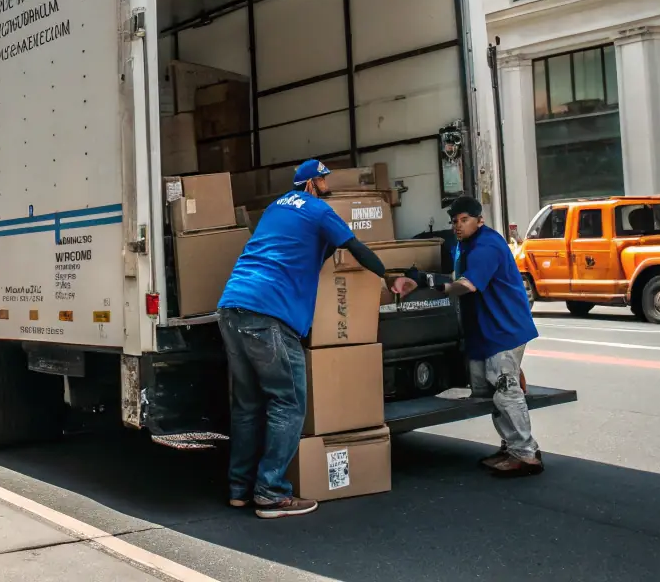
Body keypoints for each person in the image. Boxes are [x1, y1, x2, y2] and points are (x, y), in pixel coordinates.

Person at [216, 159, 391, 519]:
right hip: (269, 315)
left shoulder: (275, 208)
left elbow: (309, 250)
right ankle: (270, 493)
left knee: (248, 406)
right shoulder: (318, 209)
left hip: (232, 307)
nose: (328, 186)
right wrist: (388, 276)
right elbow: (355, 248)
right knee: (289, 403)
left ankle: (239, 489)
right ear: (311, 184)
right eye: (324, 180)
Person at [392, 195, 542, 477]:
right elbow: (454, 274)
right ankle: (511, 446)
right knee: (489, 391)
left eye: (464, 220)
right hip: (485, 329)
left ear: (479, 220)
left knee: (505, 391)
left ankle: (526, 454)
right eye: (454, 221)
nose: (458, 226)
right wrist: (422, 279)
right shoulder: (464, 244)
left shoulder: (486, 245)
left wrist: (436, 289)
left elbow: (467, 285)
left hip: (504, 329)